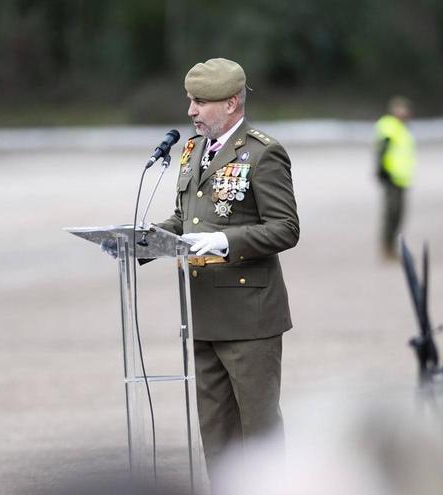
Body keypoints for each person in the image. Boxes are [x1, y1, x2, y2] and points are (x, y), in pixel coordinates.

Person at [153, 58, 299, 480]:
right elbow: (185, 220)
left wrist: (226, 242)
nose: (190, 111)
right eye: (190, 100)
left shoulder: (263, 152)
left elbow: (286, 228)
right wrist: (141, 240)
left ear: (231, 103)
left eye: (200, 102)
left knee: (259, 435)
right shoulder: (194, 150)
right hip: (203, 315)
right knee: (216, 437)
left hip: (250, 320)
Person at [375, 96, 415, 260]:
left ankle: (393, 247)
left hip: (402, 179)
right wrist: (381, 170)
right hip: (391, 178)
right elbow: (382, 150)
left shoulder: (403, 129)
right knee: (391, 214)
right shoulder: (389, 126)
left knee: (399, 215)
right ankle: (387, 248)